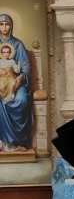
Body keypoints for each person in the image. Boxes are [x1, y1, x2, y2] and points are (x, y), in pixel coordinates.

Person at [0, 14, 34, 151]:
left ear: (11, 26)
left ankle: (19, 142)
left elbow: (25, 67)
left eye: (7, 24)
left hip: (16, 82)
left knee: (21, 99)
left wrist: (21, 77)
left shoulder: (18, 44)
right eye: (1, 24)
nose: (4, 27)